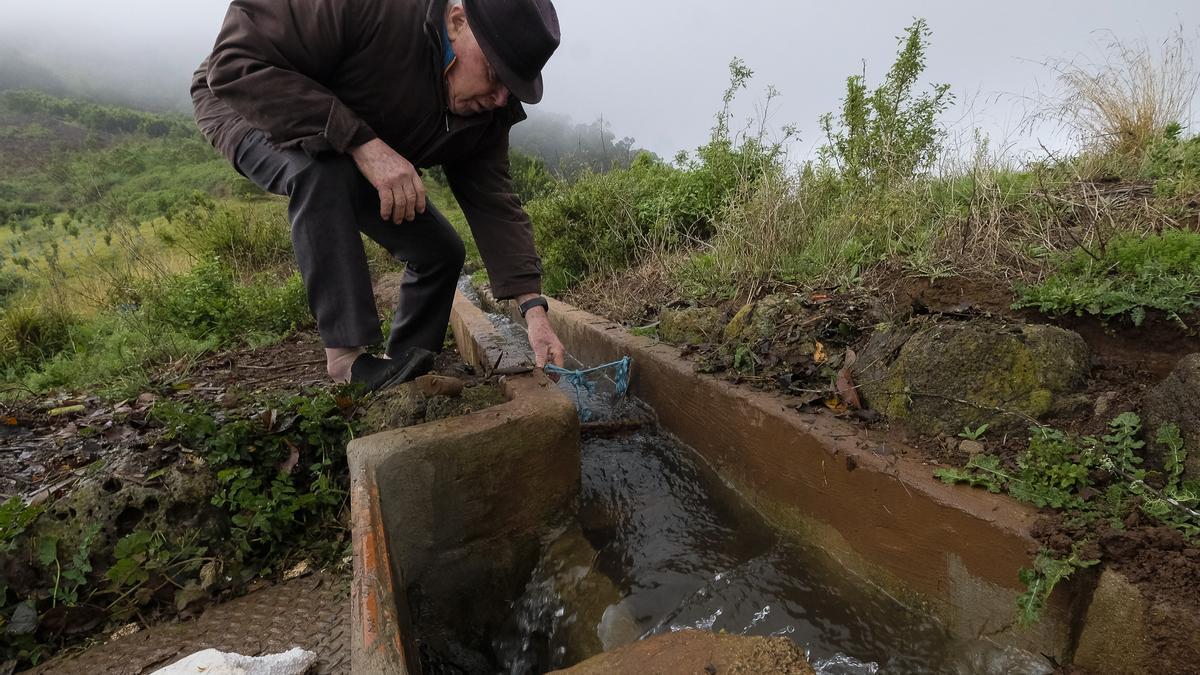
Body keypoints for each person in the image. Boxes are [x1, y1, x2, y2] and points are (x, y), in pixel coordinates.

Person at [190, 0, 567, 392]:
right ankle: (347, 363)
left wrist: (533, 312)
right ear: (457, 21)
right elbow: (236, 62)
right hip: (249, 98)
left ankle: (405, 369)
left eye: (512, 85)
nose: (500, 97)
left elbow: (493, 203)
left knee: (441, 251)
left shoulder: (487, 113)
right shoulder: (372, 8)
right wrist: (364, 144)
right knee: (322, 170)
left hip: (352, 141)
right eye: (493, 73)